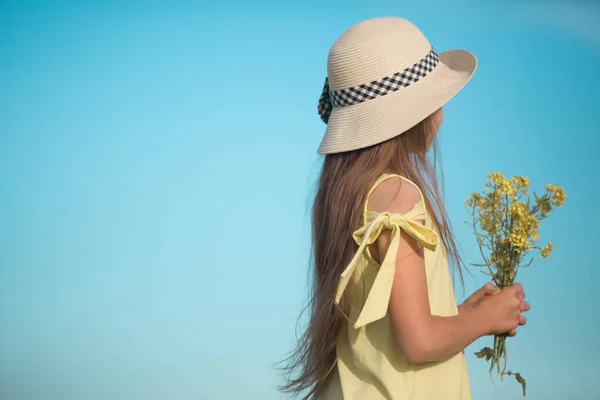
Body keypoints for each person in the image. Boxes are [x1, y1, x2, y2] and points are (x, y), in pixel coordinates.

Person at [280, 17, 531, 400]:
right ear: (408, 114)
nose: (441, 115)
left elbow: (398, 328)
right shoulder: (398, 194)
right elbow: (417, 342)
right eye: (436, 102)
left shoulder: (348, 195)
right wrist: (485, 320)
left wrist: (460, 317)